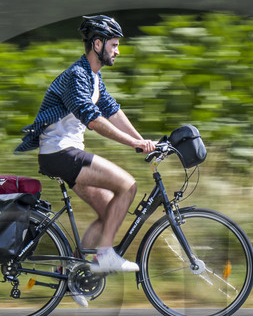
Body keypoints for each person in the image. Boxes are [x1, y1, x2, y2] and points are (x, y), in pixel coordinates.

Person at [15, 14, 155, 276]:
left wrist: (143, 141)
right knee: (128, 185)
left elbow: (112, 111)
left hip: (64, 153)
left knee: (108, 212)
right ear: (98, 44)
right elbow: (94, 120)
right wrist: (134, 143)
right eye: (114, 45)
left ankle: (73, 275)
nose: (118, 51)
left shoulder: (93, 78)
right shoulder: (76, 76)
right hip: (60, 152)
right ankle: (105, 256)